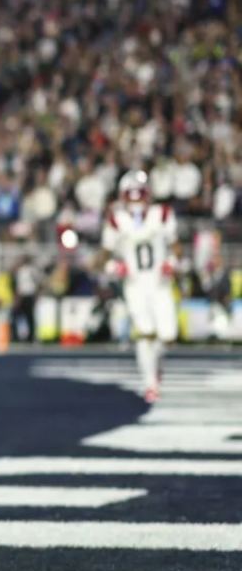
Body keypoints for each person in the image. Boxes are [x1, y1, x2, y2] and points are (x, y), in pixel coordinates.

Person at [97, 170, 181, 403]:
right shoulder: (116, 220)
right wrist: (114, 267)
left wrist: (173, 262)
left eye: (140, 196)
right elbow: (104, 256)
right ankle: (150, 384)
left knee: (168, 335)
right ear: (123, 197)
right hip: (135, 284)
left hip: (160, 283)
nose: (136, 202)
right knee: (145, 333)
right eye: (131, 197)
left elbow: (176, 246)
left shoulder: (162, 214)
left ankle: (155, 368)